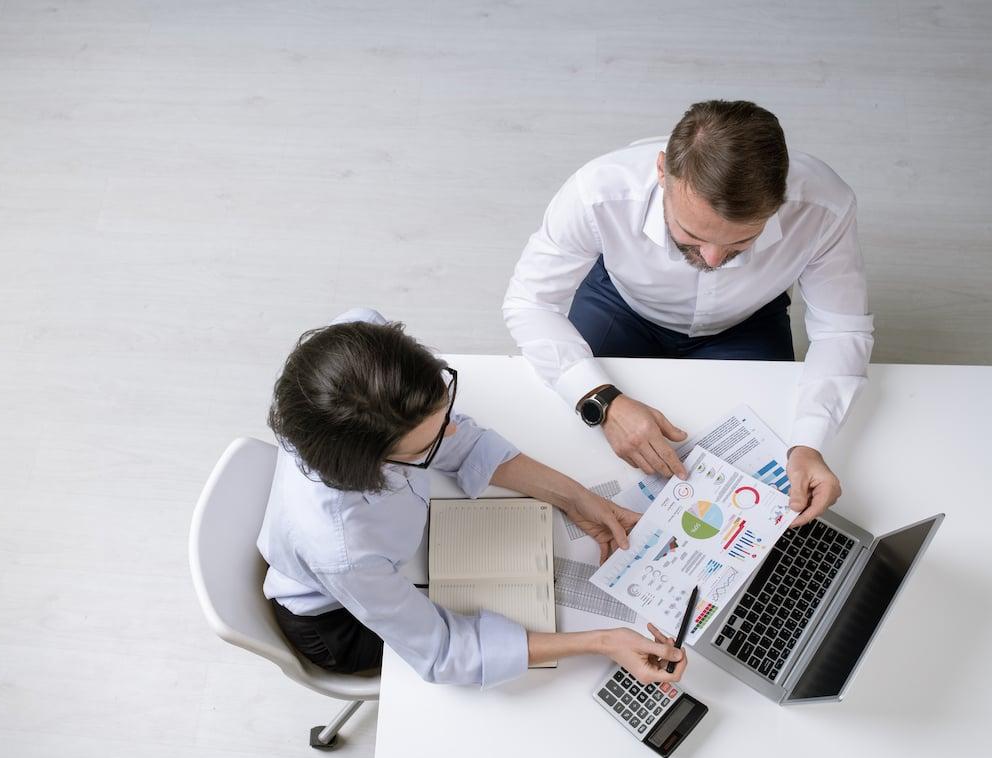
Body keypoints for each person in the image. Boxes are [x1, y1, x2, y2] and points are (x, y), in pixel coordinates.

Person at [258, 307, 687, 688]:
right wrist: (602, 642)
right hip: (337, 622)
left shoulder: (358, 344)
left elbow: (460, 445)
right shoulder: (343, 547)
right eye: (423, 448)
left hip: (389, 564)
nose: (453, 431)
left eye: (444, 413)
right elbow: (446, 653)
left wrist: (576, 499)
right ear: (375, 467)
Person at [503, 100, 874, 528]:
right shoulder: (598, 191)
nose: (714, 259)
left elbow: (841, 330)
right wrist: (601, 400)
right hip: (620, 304)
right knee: (574, 444)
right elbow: (530, 302)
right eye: (693, 235)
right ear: (663, 172)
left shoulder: (825, 207)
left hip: (747, 321)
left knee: (763, 462)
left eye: (741, 243)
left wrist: (810, 443)